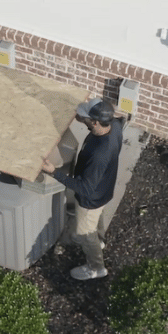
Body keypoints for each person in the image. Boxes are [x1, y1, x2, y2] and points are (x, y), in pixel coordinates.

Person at [42, 97, 123, 280]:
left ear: (95, 122)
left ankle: (96, 267)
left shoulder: (99, 154)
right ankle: (99, 241)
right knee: (96, 218)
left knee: (85, 232)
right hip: (103, 190)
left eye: (86, 118)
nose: (83, 119)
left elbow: (84, 188)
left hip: (89, 199)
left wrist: (54, 172)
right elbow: (95, 115)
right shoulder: (114, 126)